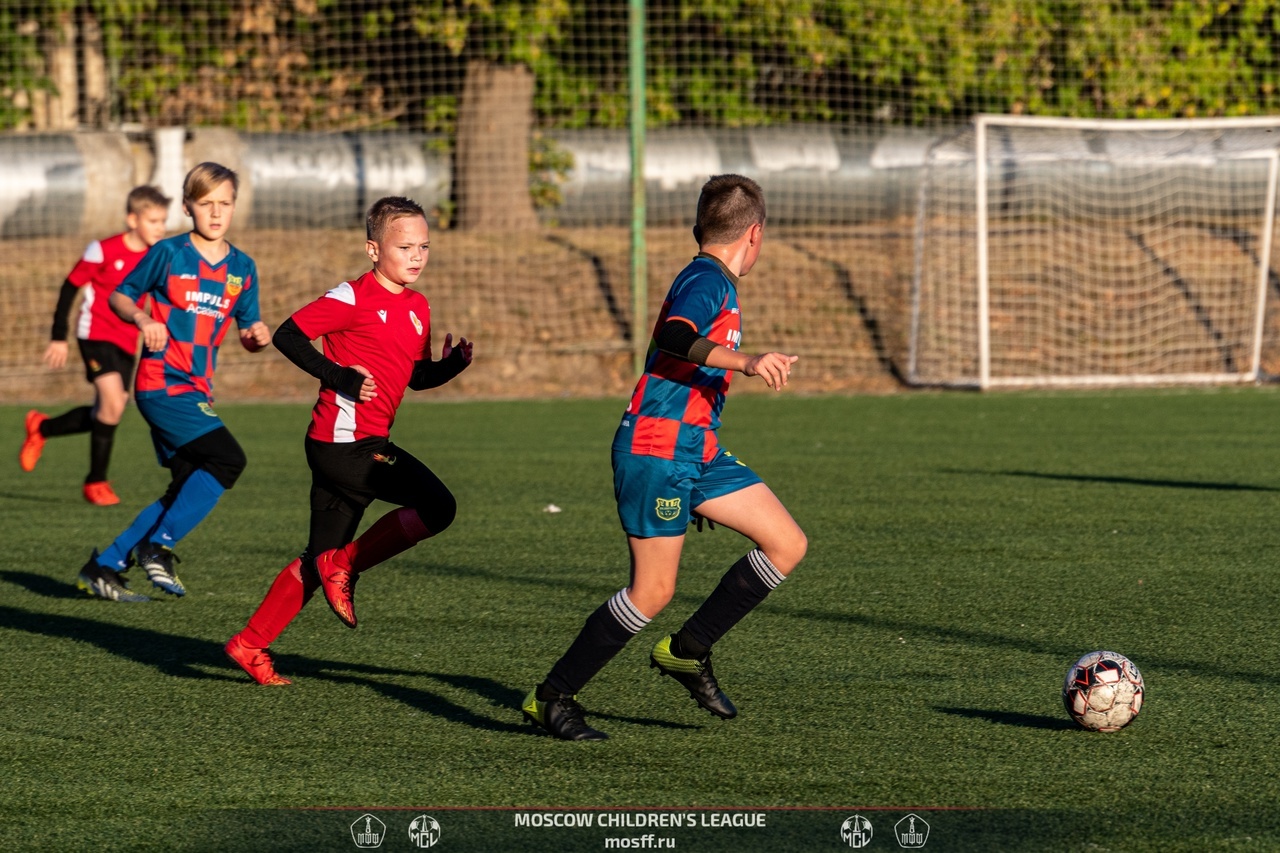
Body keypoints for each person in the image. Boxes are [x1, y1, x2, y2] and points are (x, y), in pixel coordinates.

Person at [522, 174, 807, 740]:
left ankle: (688, 649)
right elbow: (675, 337)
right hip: (657, 450)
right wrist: (747, 361)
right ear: (755, 234)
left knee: (786, 543)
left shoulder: (712, 277)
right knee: (652, 591)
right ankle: (551, 697)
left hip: (697, 449)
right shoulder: (706, 280)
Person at [225, 195, 472, 685]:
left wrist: (450, 367)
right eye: (405, 247)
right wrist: (338, 376)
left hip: (360, 443)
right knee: (438, 507)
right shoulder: (351, 297)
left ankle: (249, 644)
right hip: (343, 445)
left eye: (424, 246)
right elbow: (288, 336)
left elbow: (414, 377)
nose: (417, 256)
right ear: (373, 250)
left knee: (316, 562)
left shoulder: (418, 306)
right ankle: (346, 564)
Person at [76, 162, 271, 603]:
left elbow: (248, 325)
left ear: (235, 207)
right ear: (188, 207)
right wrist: (143, 317)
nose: (216, 213)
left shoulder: (243, 267)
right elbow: (120, 294)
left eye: (225, 203)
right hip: (160, 382)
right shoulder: (169, 253)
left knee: (186, 484)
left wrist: (256, 336)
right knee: (228, 460)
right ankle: (157, 546)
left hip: (198, 388)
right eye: (206, 204)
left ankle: (104, 566)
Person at [20, 186, 172, 505]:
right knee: (113, 402)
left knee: (109, 410)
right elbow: (69, 286)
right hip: (94, 333)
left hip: (128, 339)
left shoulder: (158, 256)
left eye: (163, 221)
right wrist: (58, 337)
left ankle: (42, 427)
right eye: (154, 221)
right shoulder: (101, 250)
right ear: (133, 220)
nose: (161, 228)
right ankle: (96, 482)